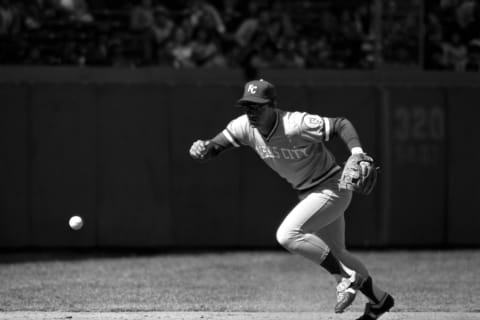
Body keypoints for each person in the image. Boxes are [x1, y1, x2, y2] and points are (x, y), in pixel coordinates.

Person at [189, 79, 394, 319]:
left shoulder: (295, 123)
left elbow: (341, 124)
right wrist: (203, 148)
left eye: (258, 107)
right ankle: (380, 300)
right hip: (309, 192)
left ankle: (345, 278)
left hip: (331, 187)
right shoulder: (243, 126)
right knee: (339, 252)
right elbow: (216, 145)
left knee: (288, 234)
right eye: (248, 106)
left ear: (273, 105)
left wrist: (357, 153)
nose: (252, 112)